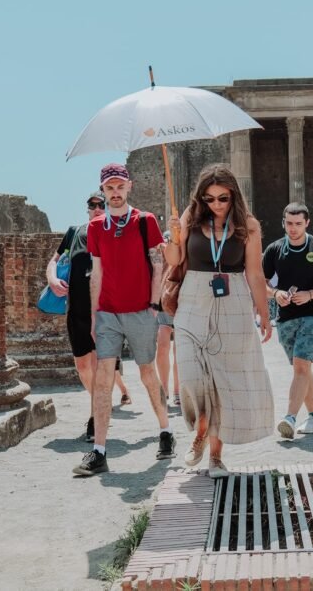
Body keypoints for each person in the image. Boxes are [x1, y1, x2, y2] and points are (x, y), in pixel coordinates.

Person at [164, 164, 275, 478]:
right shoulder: (188, 217)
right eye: (209, 198)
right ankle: (200, 426)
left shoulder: (249, 226)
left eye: (222, 198)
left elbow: (254, 272)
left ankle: (215, 456)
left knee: (224, 382)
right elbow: (174, 260)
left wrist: (264, 313)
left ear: (233, 196)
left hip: (234, 299)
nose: (215, 204)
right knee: (190, 373)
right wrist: (174, 237)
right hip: (193, 298)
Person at [73, 163, 174, 477]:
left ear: (128, 186)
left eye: (119, 187)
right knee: (103, 377)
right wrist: (93, 314)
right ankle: (99, 451)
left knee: (147, 373)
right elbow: (97, 273)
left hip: (141, 311)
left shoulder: (144, 221)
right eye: (109, 188)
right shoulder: (95, 228)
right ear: (103, 191)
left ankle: (165, 430)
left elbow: (158, 264)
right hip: (107, 313)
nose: (115, 193)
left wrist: (154, 304)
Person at [46, 192, 130, 443]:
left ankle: (97, 414)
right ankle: (100, 406)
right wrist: (51, 279)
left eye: (101, 205)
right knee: (83, 366)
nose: (96, 208)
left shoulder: (117, 233)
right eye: (92, 205)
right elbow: (54, 261)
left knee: (100, 365)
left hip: (107, 310)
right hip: (77, 308)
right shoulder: (75, 232)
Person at [263, 203, 313, 439]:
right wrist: (276, 294)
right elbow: (261, 283)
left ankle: (289, 417)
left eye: (298, 224)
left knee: (300, 366)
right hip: (285, 316)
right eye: (289, 223)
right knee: (302, 368)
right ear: (283, 222)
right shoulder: (274, 250)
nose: (293, 228)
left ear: (307, 223)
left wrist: (309, 294)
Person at [156, 230, 180, 408]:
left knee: (179, 350)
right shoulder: (159, 251)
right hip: (164, 299)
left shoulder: (183, 249)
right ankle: (163, 389)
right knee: (163, 345)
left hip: (181, 299)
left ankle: (178, 391)